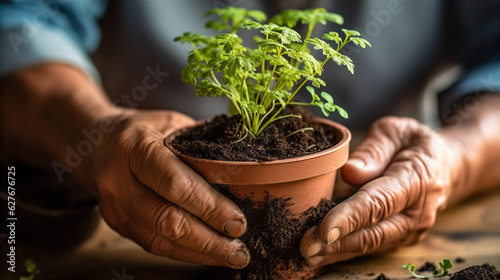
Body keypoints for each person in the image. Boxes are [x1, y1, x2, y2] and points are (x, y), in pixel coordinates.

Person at [1, 0, 499, 270]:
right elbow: (20, 21)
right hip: (129, 207)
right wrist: (95, 129)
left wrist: (455, 157)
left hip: (383, 190)